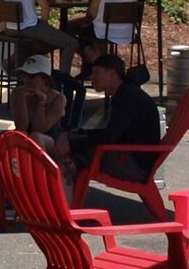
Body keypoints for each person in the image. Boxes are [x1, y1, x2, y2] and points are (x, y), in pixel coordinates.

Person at [66, 52, 161, 182]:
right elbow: (114, 132)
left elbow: (110, 136)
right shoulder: (127, 92)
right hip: (130, 156)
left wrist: (71, 143)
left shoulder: (128, 97)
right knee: (71, 142)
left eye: (96, 73)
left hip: (133, 165)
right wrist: (83, 133)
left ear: (112, 74)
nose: (91, 77)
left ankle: (61, 195)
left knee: (67, 151)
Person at [0, 0, 71, 69]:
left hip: (10, 27)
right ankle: (64, 80)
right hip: (28, 27)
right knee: (70, 43)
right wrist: (44, 23)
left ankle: (17, 65)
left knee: (39, 40)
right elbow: (45, 7)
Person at [9, 60, 69, 159]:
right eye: (24, 75)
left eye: (31, 76)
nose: (26, 79)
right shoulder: (17, 93)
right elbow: (21, 127)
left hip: (50, 139)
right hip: (26, 135)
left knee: (36, 137)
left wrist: (42, 102)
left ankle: (41, 171)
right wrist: (22, 100)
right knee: (13, 137)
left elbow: (39, 129)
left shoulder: (59, 99)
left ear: (44, 79)